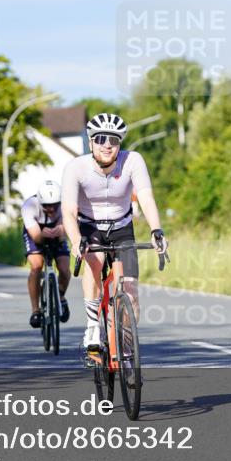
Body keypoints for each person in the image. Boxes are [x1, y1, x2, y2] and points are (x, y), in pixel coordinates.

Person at [60, 113, 169, 351]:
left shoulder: (133, 160)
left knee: (130, 292)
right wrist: (77, 240)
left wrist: (156, 230)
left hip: (122, 228)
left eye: (114, 140)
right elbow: (68, 210)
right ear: (91, 142)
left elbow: (146, 197)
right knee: (95, 262)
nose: (107, 145)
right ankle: (92, 327)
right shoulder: (76, 168)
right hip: (90, 227)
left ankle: (127, 349)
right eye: (101, 139)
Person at [21, 180, 71, 328]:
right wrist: (43, 235)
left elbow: (67, 229)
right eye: (47, 206)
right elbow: (36, 236)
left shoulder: (65, 205)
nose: (51, 209)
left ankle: (60, 296)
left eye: (55, 205)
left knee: (64, 267)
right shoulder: (29, 206)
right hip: (35, 232)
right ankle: (35, 310)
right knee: (36, 266)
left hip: (56, 230)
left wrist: (61, 231)